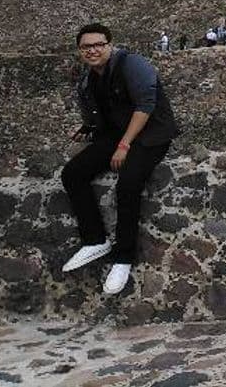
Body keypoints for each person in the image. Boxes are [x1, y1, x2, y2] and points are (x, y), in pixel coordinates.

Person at [61, 23, 179, 295]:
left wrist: (124, 145)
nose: (93, 50)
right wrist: (88, 130)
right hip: (116, 136)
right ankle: (94, 240)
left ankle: (123, 257)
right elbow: (101, 117)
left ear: (110, 45)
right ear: (80, 51)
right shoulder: (88, 80)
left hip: (151, 135)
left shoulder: (132, 65)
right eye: (86, 47)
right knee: (73, 173)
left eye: (98, 44)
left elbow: (145, 105)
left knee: (128, 183)